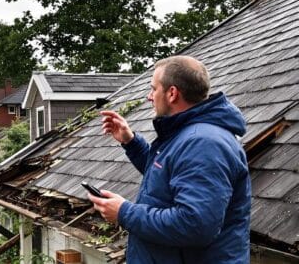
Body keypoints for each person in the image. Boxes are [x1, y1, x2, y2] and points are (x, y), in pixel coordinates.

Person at [91, 55, 251, 263]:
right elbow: (167, 175)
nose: (149, 96)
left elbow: (195, 225)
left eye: (153, 89)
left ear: (172, 93)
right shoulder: (189, 134)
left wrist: (124, 213)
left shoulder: (204, 144)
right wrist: (130, 142)